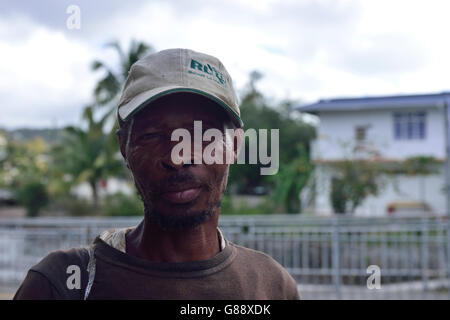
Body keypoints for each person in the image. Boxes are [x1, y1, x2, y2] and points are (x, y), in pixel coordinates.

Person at [13, 48, 300, 300]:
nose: (178, 157)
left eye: (203, 134)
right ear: (124, 148)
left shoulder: (272, 285)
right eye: (151, 135)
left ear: (235, 145)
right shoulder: (62, 285)